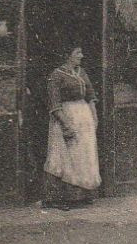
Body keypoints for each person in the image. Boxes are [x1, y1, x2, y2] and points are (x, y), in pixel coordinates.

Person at [43, 46, 101, 209]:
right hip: (66, 118)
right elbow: (54, 104)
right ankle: (58, 198)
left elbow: (90, 95)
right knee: (63, 157)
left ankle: (79, 195)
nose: (81, 56)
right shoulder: (57, 75)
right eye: (77, 53)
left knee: (82, 156)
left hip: (84, 118)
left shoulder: (81, 72)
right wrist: (66, 123)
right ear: (67, 56)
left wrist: (94, 117)